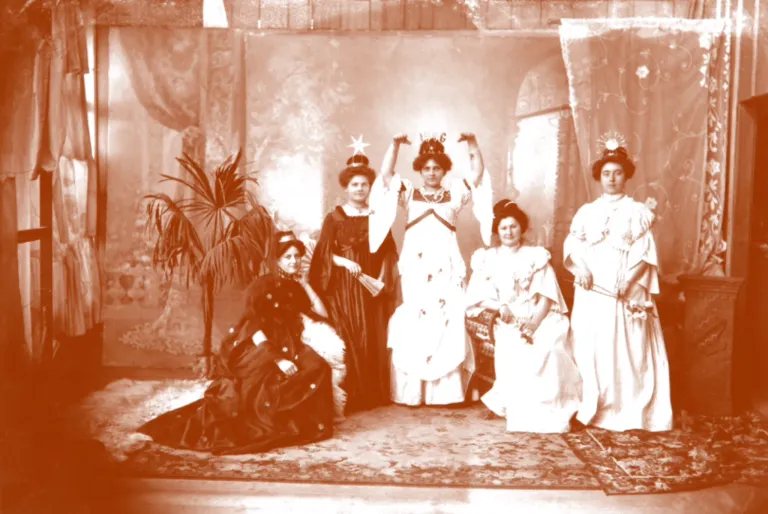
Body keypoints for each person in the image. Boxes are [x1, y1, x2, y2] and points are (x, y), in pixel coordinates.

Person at [136, 233, 347, 455]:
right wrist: (276, 358)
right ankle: (272, 417)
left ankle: (296, 418)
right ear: (276, 260)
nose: (293, 261)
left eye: (296, 256)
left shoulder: (295, 286)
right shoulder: (262, 284)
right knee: (263, 385)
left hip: (290, 341)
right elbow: (252, 327)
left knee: (318, 367)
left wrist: (305, 284)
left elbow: (323, 313)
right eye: (287, 257)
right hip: (262, 343)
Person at [368, 132, 493, 406]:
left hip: (447, 267)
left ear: (444, 169)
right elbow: (386, 174)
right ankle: (411, 392)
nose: (432, 173)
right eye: (427, 168)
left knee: (448, 320)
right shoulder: (409, 193)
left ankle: (447, 393)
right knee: (416, 321)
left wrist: (473, 143)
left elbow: (478, 173)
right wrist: (395, 144)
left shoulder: (455, 194)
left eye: (437, 168)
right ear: (420, 169)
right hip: (415, 267)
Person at [564, 143, 673, 432]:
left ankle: (626, 408)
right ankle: (592, 405)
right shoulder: (587, 212)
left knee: (627, 345)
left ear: (627, 177)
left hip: (625, 286)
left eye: (618, 173)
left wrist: (629, 279)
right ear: (599, 177)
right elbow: (573, 245)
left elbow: (646, 252)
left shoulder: (636, 211)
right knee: (592, 343)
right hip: (592, 288)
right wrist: (582, 268)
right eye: (606, 173)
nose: (611, 178)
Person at [465, 200, 581, 433]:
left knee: (551, 347)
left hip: (539, 316)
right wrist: (499, 307)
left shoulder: (535, 256)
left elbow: (547, 296)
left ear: (522, 228)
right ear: (497, 231)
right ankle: (524, 407)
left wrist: (534, 323)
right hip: (508, 319)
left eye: (514, 227)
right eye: (504, 228)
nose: (509, 232)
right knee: (516, 347)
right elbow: (477, 297)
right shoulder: (487, 258)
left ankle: (552, 404)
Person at [309, 153, 399, 414]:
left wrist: (383, 276)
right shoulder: (335, 218)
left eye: (364, 185)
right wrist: (345, 262)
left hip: (371, 284)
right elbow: (323, 253)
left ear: (370, 187)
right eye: (355, 185)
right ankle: (353, 395)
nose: (360, 189)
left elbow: (389, 251)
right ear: (346, 188)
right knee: (350, 334)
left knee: (373, 334)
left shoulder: (378, 216)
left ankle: (372, 394)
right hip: (344, 286)